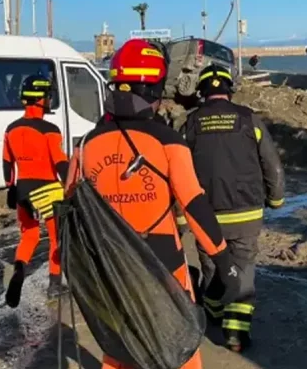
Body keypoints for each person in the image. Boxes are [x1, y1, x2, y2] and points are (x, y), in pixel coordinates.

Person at [64, 39, 241, 369]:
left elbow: (69, 208)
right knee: (178, 350)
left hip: (109, 264)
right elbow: (195, 204)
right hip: (162, 263)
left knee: (120, 352)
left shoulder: (86, 144)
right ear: (154, 90)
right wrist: (223, 260)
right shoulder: (169, 142)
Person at [181, 63, 285, 353]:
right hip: (247, 212)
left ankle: (213, 315)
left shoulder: (190, 123)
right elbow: (272, 164)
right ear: (229, 89)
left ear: (201, 92)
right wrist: (276, 199)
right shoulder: (248, 119)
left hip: (205, 214)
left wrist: (179, 218)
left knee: (212, 266)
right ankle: (236, 334)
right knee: (243, 267)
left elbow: (178, 171)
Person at [3, 74, 69, 307]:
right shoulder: (49, 129)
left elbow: (7, 163)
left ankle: (19, 269)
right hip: (49, 190)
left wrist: (10, 189)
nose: (50, 100)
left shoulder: (11, 129)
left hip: (23, 190)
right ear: (41, 99)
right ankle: (54, 286)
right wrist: (72, 184)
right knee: (56, 239)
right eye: (48, 96)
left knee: (29, 235)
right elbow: (60, 162)